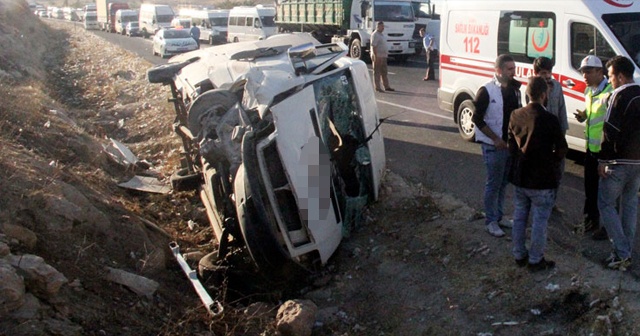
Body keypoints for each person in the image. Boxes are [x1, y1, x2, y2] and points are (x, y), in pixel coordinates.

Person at [508, 76, 569, 272]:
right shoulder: (550, 119)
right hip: (542, 178)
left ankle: (518, 254)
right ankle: (535, 259)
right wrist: (553, 161)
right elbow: (561, 148)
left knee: (519, 216)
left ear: (528, 94)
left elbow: (511, 146)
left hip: (521, 176)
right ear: (544, 95)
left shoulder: (515, 115)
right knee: (540, 221)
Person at [597, 55, 640, 271]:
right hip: (638, 162)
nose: (610, 80)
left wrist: (602, 158)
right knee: (630, 205)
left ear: (621, 77)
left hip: (618, 160)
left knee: (605, 203)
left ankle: (622, 253)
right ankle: (626, 251)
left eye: (611, 76)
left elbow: (610, 129)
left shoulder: (618, 95)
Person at [472, 54, 521, 237]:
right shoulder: (486, 90)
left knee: (503, 183)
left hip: (509, 146)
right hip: (493, 146)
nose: (513, 72)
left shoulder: (515, 90)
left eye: (513, 69)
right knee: (493, 183)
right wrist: (495, 139)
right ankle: (491, 220)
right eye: (509, 69)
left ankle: (499, 216)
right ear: (498, 71)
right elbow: (477, 118)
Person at [573, 55, 613, 240]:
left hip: (605, 152)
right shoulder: (589, 91)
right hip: (590, 149)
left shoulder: (610, 93)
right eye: (583, 72)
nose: (584, 76)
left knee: (605, 194)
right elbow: (593, 115)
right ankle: (590, 221)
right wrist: (584, 116)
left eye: (588, 72)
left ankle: (606, 228)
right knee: (590, 189)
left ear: (600, 72)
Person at [532, 57, 568, 214]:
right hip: (540, 139)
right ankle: (538, 204)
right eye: (544, 73)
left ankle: (552, 203)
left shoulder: (557, 87)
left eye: (550, 72)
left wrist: (562, 135)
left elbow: (562, 109)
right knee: (540, 173)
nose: (548, 76)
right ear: (537, 73)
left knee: (557, 171)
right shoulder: (532, 88)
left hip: (556, 136)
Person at [371, 21, 395, 93]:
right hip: (378, 56)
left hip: (383, 56)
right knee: (377, 72)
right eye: (382, 26)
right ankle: (377, 87)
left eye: (383, 26)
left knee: (384, 72)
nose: (383, 28)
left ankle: (386, 86)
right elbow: (374, 46)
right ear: (377, 27)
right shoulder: (375, 35)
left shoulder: (381, 35)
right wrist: (375, 56)